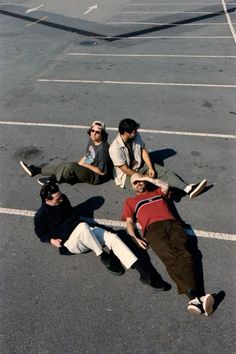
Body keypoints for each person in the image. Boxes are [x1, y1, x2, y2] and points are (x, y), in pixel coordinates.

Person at [34, 182, 169, 290]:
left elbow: (74, 218)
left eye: (61, 195)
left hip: (85, 233)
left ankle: (146, 275)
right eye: (58, 198)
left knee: (113, 237)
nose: (62, 199)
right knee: (83, 226)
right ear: (47, 200)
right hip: (71, 243)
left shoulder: (64, 201)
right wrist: (50, 240)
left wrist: (98, 229)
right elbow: (40, 233)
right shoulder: (41, 214)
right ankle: (103, 256)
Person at [122, 173, 215, 316]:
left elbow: (165, 185)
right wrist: (135, 237)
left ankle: (195, 299)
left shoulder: (157, 192)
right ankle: (198, 297)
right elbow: (129, 222)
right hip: (152, 231)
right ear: (132, 186)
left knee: (185, 253)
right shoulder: (130, 201)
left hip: (173, 225)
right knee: (170, 259)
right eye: (135, 183)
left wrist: (146, 178)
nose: (138, 183)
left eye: (140, 181)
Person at [109, 118, 207, 198]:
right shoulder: (114, 148)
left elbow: (143, 150)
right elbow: (125, 169)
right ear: (126, 133)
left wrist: (151, 167)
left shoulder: (135, 136)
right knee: (142, 186)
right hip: (126, 174)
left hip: (139, 164)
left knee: (163, 172)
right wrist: (144, 177)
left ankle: (188, 189)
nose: (136, 133)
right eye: (134, 132)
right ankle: (163, 193)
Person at [20, 121, 113, 185]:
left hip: (95, 177)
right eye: (92, 130)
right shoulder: (93, 140)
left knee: (70, 167)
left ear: (102, 134)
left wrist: (85, 165)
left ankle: (53, 180)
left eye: (98, 132)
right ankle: (36, 170)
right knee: (66, 165)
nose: (94, 133)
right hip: (88, 167)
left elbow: (102, 172)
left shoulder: (103, 150)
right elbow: (88, 155)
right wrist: (79, 163)